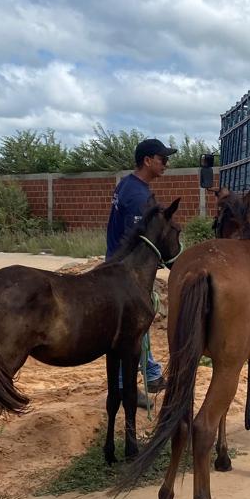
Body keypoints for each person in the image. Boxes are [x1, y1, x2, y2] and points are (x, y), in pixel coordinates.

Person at [106, 138, 175, 404]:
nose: (166, 165)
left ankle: (150, 372)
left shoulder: (128, 184)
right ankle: (126, 387)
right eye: (163, 159)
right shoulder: (138, 196)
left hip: (118, 265)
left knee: (135, 327)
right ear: (148, 161)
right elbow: (137, 240)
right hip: (126, 272)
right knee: (132, 327)